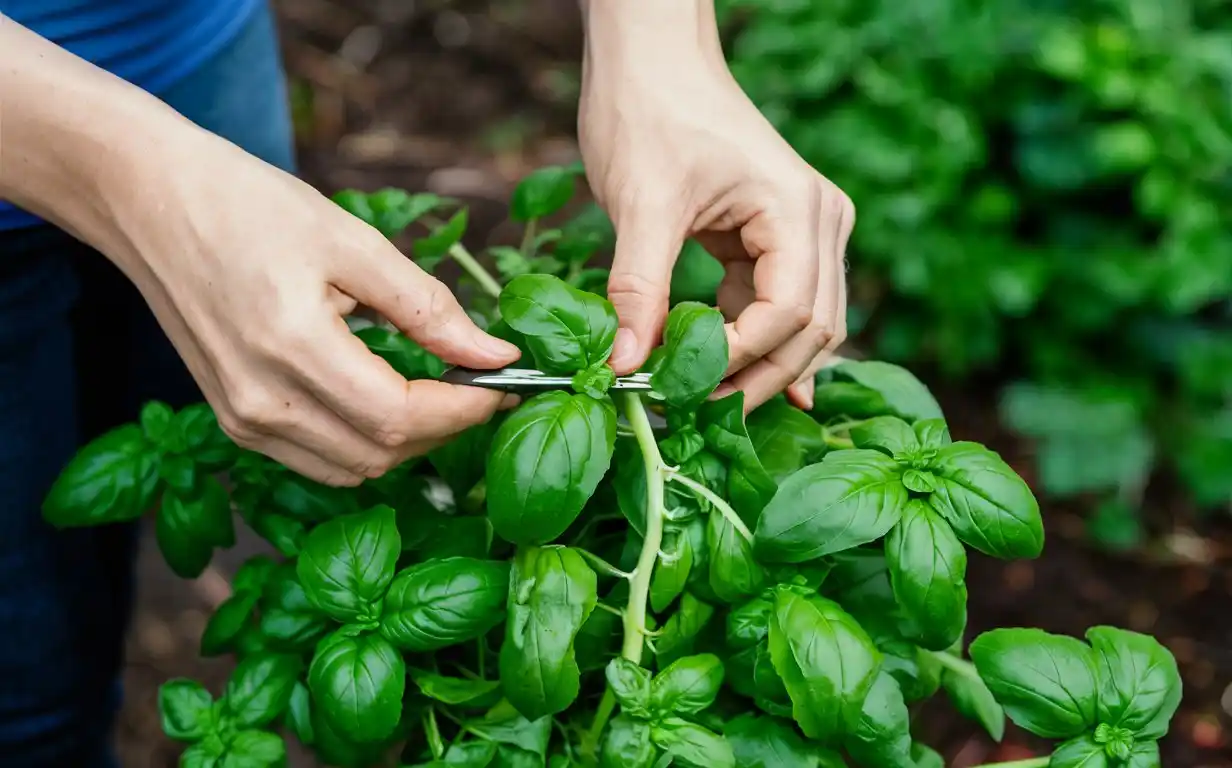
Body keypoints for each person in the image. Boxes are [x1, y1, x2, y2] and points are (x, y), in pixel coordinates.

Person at [0, 0, 853, 764]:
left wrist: (664, 45)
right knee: (26, 688)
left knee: (267, 416)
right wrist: (139, 185)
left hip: (191, 44)